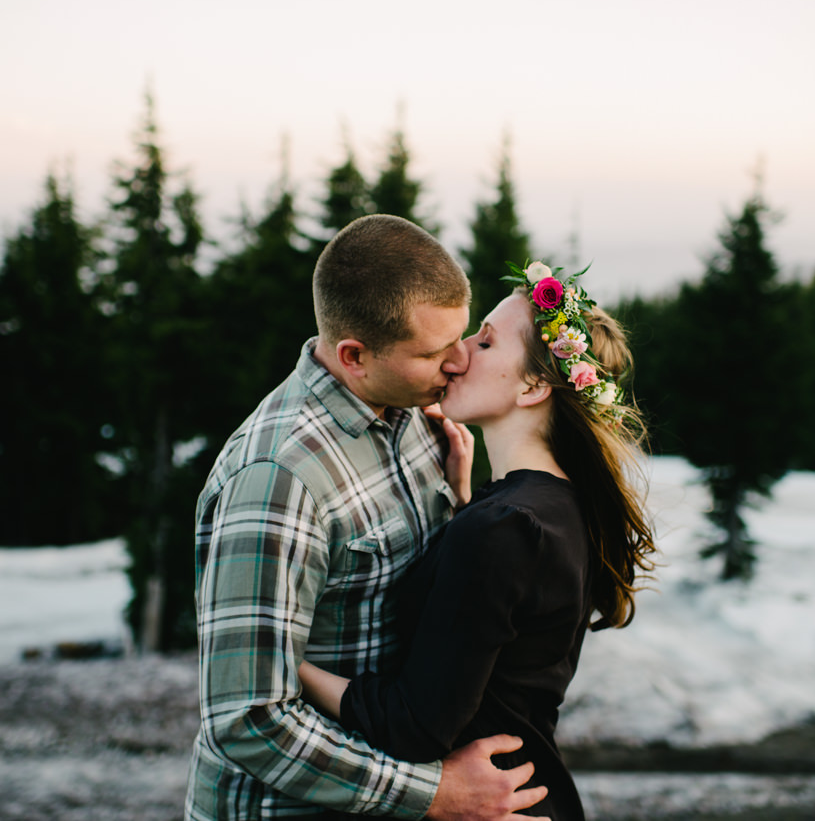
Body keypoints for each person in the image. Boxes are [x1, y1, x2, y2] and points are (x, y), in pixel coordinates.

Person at [186, 215, 548, 821]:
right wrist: (433, 794)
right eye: (435, 351)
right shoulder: (279, 479)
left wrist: (462, 506)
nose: (459, 362)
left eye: (462, 338)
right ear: (354, 354)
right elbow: (247, 719)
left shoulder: (415, 413)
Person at [297, 261, 657, 820]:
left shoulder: (503, 529)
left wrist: (286, 662)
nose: (458, 353)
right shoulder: (554, 506)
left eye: (485, 342)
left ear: (535, 385)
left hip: (496, 804)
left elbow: (413, 725)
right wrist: (464, 500)